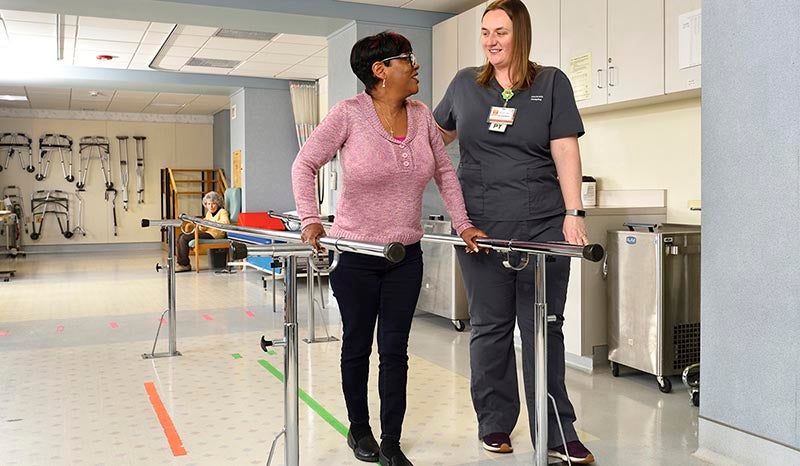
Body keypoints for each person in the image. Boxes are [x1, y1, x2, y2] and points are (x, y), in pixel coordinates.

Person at [292, 32, 485, 466]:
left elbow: (446, 176)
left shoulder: (420, 117)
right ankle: (358, 430)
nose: (415, 66)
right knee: (357, 346)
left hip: (404, 258)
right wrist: (310, 219)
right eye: (407, 60)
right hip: (356, 257)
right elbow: (304, 164)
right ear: (380, 71)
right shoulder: (348, 115)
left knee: (395, 350)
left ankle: (392, 441)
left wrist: (464, 224)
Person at [432, 0, 595, 464]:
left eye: (500, 31)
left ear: (520, 34)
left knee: (544, 327)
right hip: (481, 228)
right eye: (485, 32)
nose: (490, 41)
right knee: (490, 328)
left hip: (542, 225)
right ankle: (495, 424)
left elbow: (565, 150)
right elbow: (432, 138)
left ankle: (557, 432)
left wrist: (574, 211)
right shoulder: (466, 84)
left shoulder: (551, 83)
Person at [175, 191, 230, 272]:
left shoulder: (222, 212)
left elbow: (226, 223)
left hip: (216, 234)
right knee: (180, 236)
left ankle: (184, 265)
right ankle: (181, 263)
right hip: (208, 233)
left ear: (218, 203)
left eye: (213, 203)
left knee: (184, 238)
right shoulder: (209, 213)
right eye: (208, 204)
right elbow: (203, 229)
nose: (211, 206)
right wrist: (202, 225)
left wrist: (210, 223)